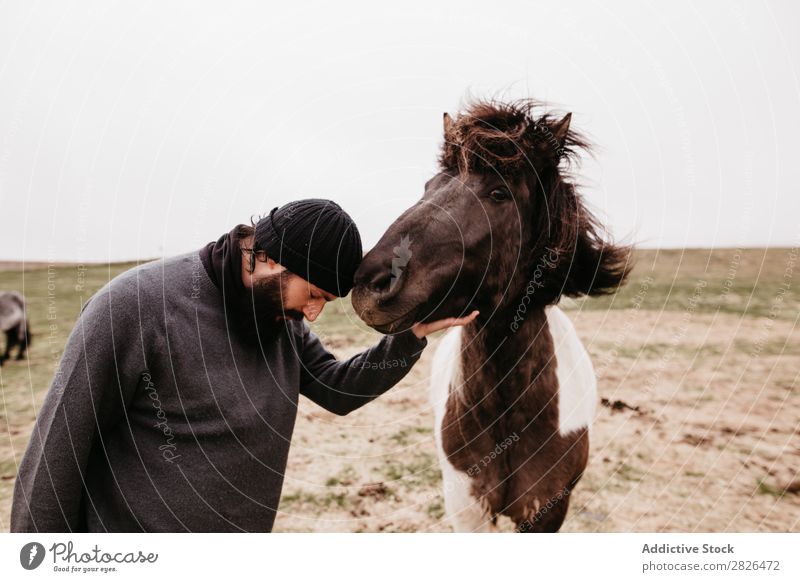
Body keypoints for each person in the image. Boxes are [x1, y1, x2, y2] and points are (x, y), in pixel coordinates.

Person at [10, 199, 477, 532]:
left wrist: (411, 334)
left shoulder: (278, 321)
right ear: (269, 260)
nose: (314, 313)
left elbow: (338, 389)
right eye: (313, 295)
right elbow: (58, 453)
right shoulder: (133, 307)